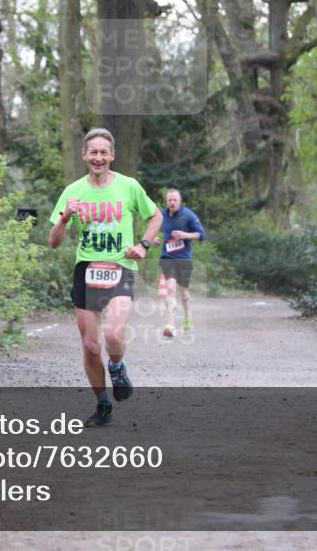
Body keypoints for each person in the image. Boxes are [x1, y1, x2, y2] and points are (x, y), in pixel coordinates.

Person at [49, 128, 162, 427]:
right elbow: (54, 242)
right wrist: (64, 218)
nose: (98, 157)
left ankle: (118, 367)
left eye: (104, 152)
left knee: (112, 335)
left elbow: (156, 216)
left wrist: (144, 245)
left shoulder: (129, 186)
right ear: (84, 156)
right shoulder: (73, 191)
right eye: (93, 152)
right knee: (89, 345)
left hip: (120, 267)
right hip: (85, 270)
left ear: (112, 155)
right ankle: (102, 405)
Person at [153, 188, 206, 338]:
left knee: (183, 293)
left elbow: (201, 234)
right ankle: (171, 324)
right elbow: (153, 232)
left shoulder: (188, 215)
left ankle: (188, 317)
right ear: (166, 201)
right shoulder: (162, 215)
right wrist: (153, 239)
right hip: (167, 258)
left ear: (180, 201)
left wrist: (185, 235)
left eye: (175, 200)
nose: (172, 202)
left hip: (184, 259)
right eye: (169, 200)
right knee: (170, 289)